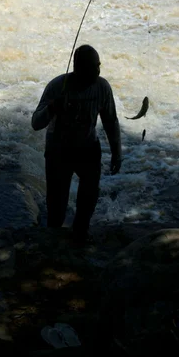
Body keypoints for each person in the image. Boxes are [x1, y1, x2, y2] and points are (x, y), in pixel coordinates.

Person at [31, 44, 122, 243]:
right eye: (92, 67)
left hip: (88, 148)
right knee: (57, 203)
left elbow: (110, 121)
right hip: (58, 150)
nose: (98, 71)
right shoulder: (57, 87)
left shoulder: (102, 87)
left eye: (98, 65)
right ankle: (53, 238)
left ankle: (81, 233)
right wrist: (53, 107)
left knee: (89, 197)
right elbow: (36, 123)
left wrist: (117, 152)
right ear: (77, 68)